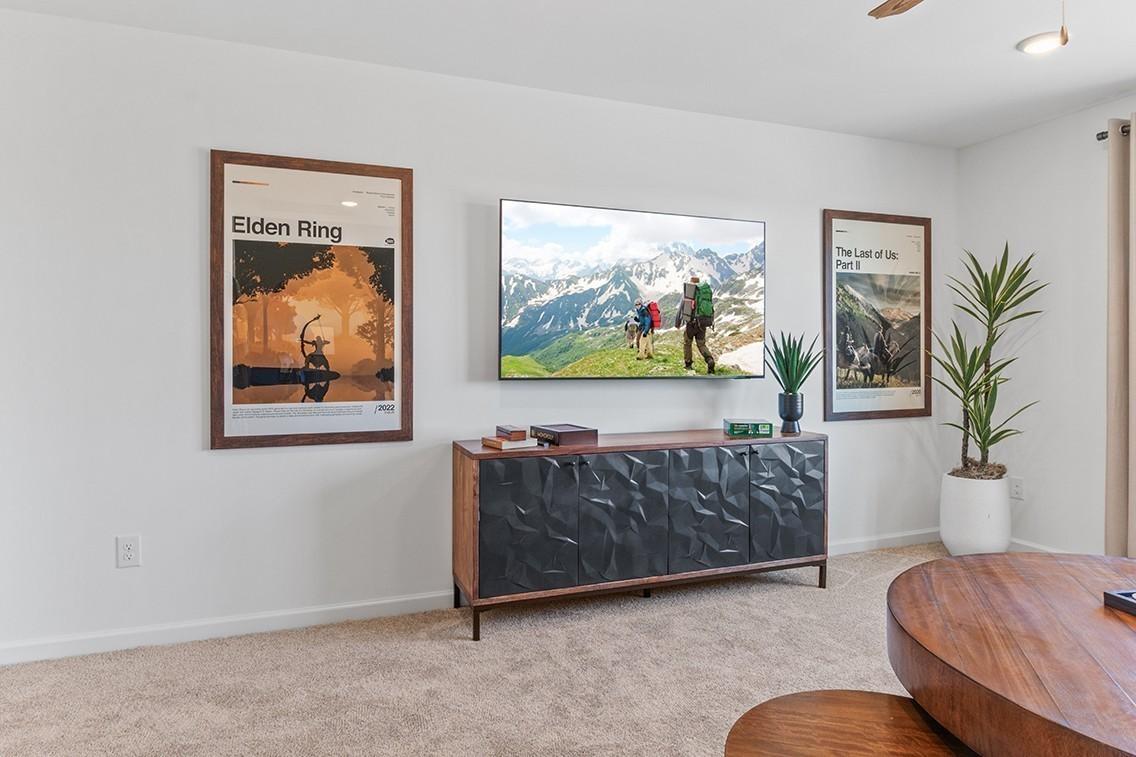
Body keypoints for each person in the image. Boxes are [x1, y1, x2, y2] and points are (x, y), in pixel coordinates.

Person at [676, 275, 715, 374]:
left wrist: (678, 323)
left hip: (691, 324)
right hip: (702, 323)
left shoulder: (689, 292)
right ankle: (709, 360)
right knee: (701, 344)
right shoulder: (704, 292)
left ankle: (688, 364)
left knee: (687, 343)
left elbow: (681, 308)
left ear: (691, 282)